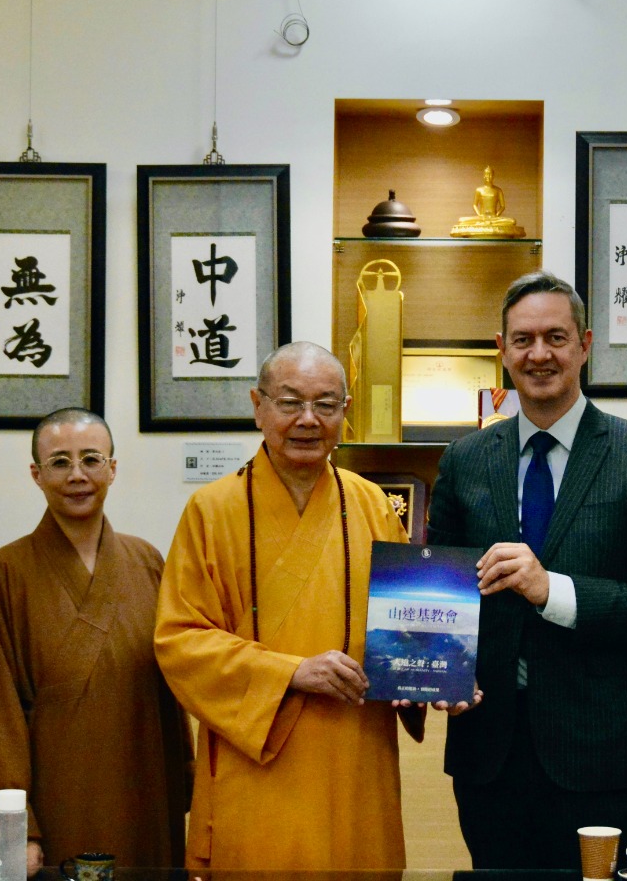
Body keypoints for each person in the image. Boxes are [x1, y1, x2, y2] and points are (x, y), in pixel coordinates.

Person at [427, 270, 627, 869]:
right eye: (522, 339)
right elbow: (440, 588)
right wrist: (439, 673)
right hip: (486, 750)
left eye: (555, 336)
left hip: (597, 755)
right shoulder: (466, 459)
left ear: (585, 344)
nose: (539, 353)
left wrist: (554, 591)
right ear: (501, 351)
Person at [154, 342, 420, 870]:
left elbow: (408, 625)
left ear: (346, 411)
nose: (307, 419)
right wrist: (292, 672)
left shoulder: (376, 506)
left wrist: (436, 675)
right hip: (256, 760)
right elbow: (179, 640)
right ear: (258, 405)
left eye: (325, 404)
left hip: (354, 757)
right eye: (289, 402)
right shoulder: (211, 511)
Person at [0, 408, 192, 869]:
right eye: (60, 462)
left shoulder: (147, 562)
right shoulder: (6, 573)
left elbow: (170, 695)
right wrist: (15, 829)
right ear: (36, 475)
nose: (77, 475)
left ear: (113, 469)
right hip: (52, 799)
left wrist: (183, 780)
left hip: (141, 787)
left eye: (91, 460)